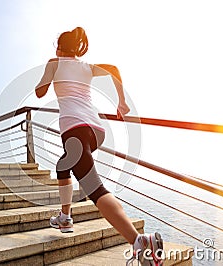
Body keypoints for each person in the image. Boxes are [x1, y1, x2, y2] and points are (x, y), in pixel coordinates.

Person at [35, 27, 163, 265]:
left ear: (59, 47)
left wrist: (47, 78)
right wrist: (122, 103)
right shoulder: (86, 67)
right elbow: (114, 69)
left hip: (74, 129)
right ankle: (65, 217)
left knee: (95, 188)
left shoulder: (54, 63)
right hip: (97, 130)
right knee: (63, 165)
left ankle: (139, 242)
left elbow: (40, 92)